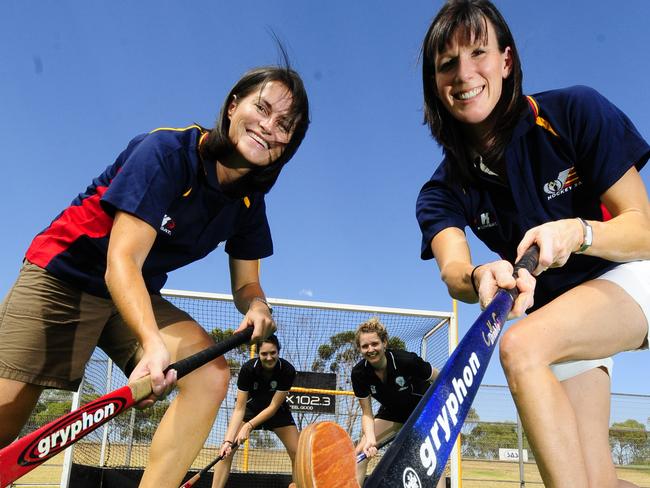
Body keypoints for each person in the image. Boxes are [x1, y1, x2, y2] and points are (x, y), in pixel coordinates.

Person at [0, 64, 309, 487]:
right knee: (5, 419)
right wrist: (151, 344)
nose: (268, 127)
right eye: (262, 108)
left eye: (284, 125)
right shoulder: (167, 152)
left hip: (130, 294)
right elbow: (121, 260)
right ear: (233, 106)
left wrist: (257, 305)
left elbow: (246, 284)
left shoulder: (250, 204)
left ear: (288, 144)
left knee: (210, 375)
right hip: (63, 275)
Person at [416, 1, 650, 487]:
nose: (464, 74)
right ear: (434, 85)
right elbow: (454, 269)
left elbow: (643, 231)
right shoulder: (441, 191)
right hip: (567, 315)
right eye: (447, 64)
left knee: (520, 346)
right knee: (594, 480)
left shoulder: (574, 111)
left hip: (633, 270)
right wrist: (482, 274)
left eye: (478, 53)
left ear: (505, 61)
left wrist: (579, 232)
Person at [350, 318, 442, 487]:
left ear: (384, 343)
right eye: (365, 346)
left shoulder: (406, 360)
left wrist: (440, 410)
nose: (370, 350)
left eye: (375, 344)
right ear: (359, 348)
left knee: (433, 460)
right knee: (359, 454)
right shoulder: (359, 373)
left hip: (422, 411)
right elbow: (367, 413)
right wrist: (370, 439)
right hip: (392, 412)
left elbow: (442, 379)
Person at [211, 334, 299, 488]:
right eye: (264, 353)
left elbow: (272, 407)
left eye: (273, 353)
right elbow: (239, 408)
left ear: (279, 351)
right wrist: (228, 441)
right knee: (225, 453)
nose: (269, 357)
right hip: (251, 409)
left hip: (278, 412)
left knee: (298, 453)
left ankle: (298, 485)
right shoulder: (247, 369)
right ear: (258, 354)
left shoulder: (287, 370)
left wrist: (248, 426)